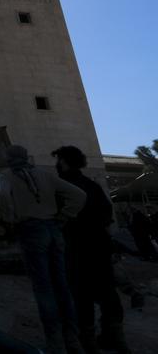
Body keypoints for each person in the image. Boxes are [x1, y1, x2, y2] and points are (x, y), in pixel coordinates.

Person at [0, 145, 86, 354]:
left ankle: (55, 342)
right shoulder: (44, 174)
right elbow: (79, 195)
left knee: (43, 287)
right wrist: (65, 216)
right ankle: (73, 340)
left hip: (30, 230)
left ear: (9, 158)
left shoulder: (7, 175)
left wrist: (10, 219)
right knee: (62, 285)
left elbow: (3, 197)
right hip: (53, 230)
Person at [52, 146, 130, 354]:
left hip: (76, 249)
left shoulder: (61, 188)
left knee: (81, 295)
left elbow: (57, 219)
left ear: (65, 162)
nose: (57, 164)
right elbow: (107, 215)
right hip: (99, 246)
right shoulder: (92, 186)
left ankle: (89, 343)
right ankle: (115, 339)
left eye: (59, 160)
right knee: (107, 294)